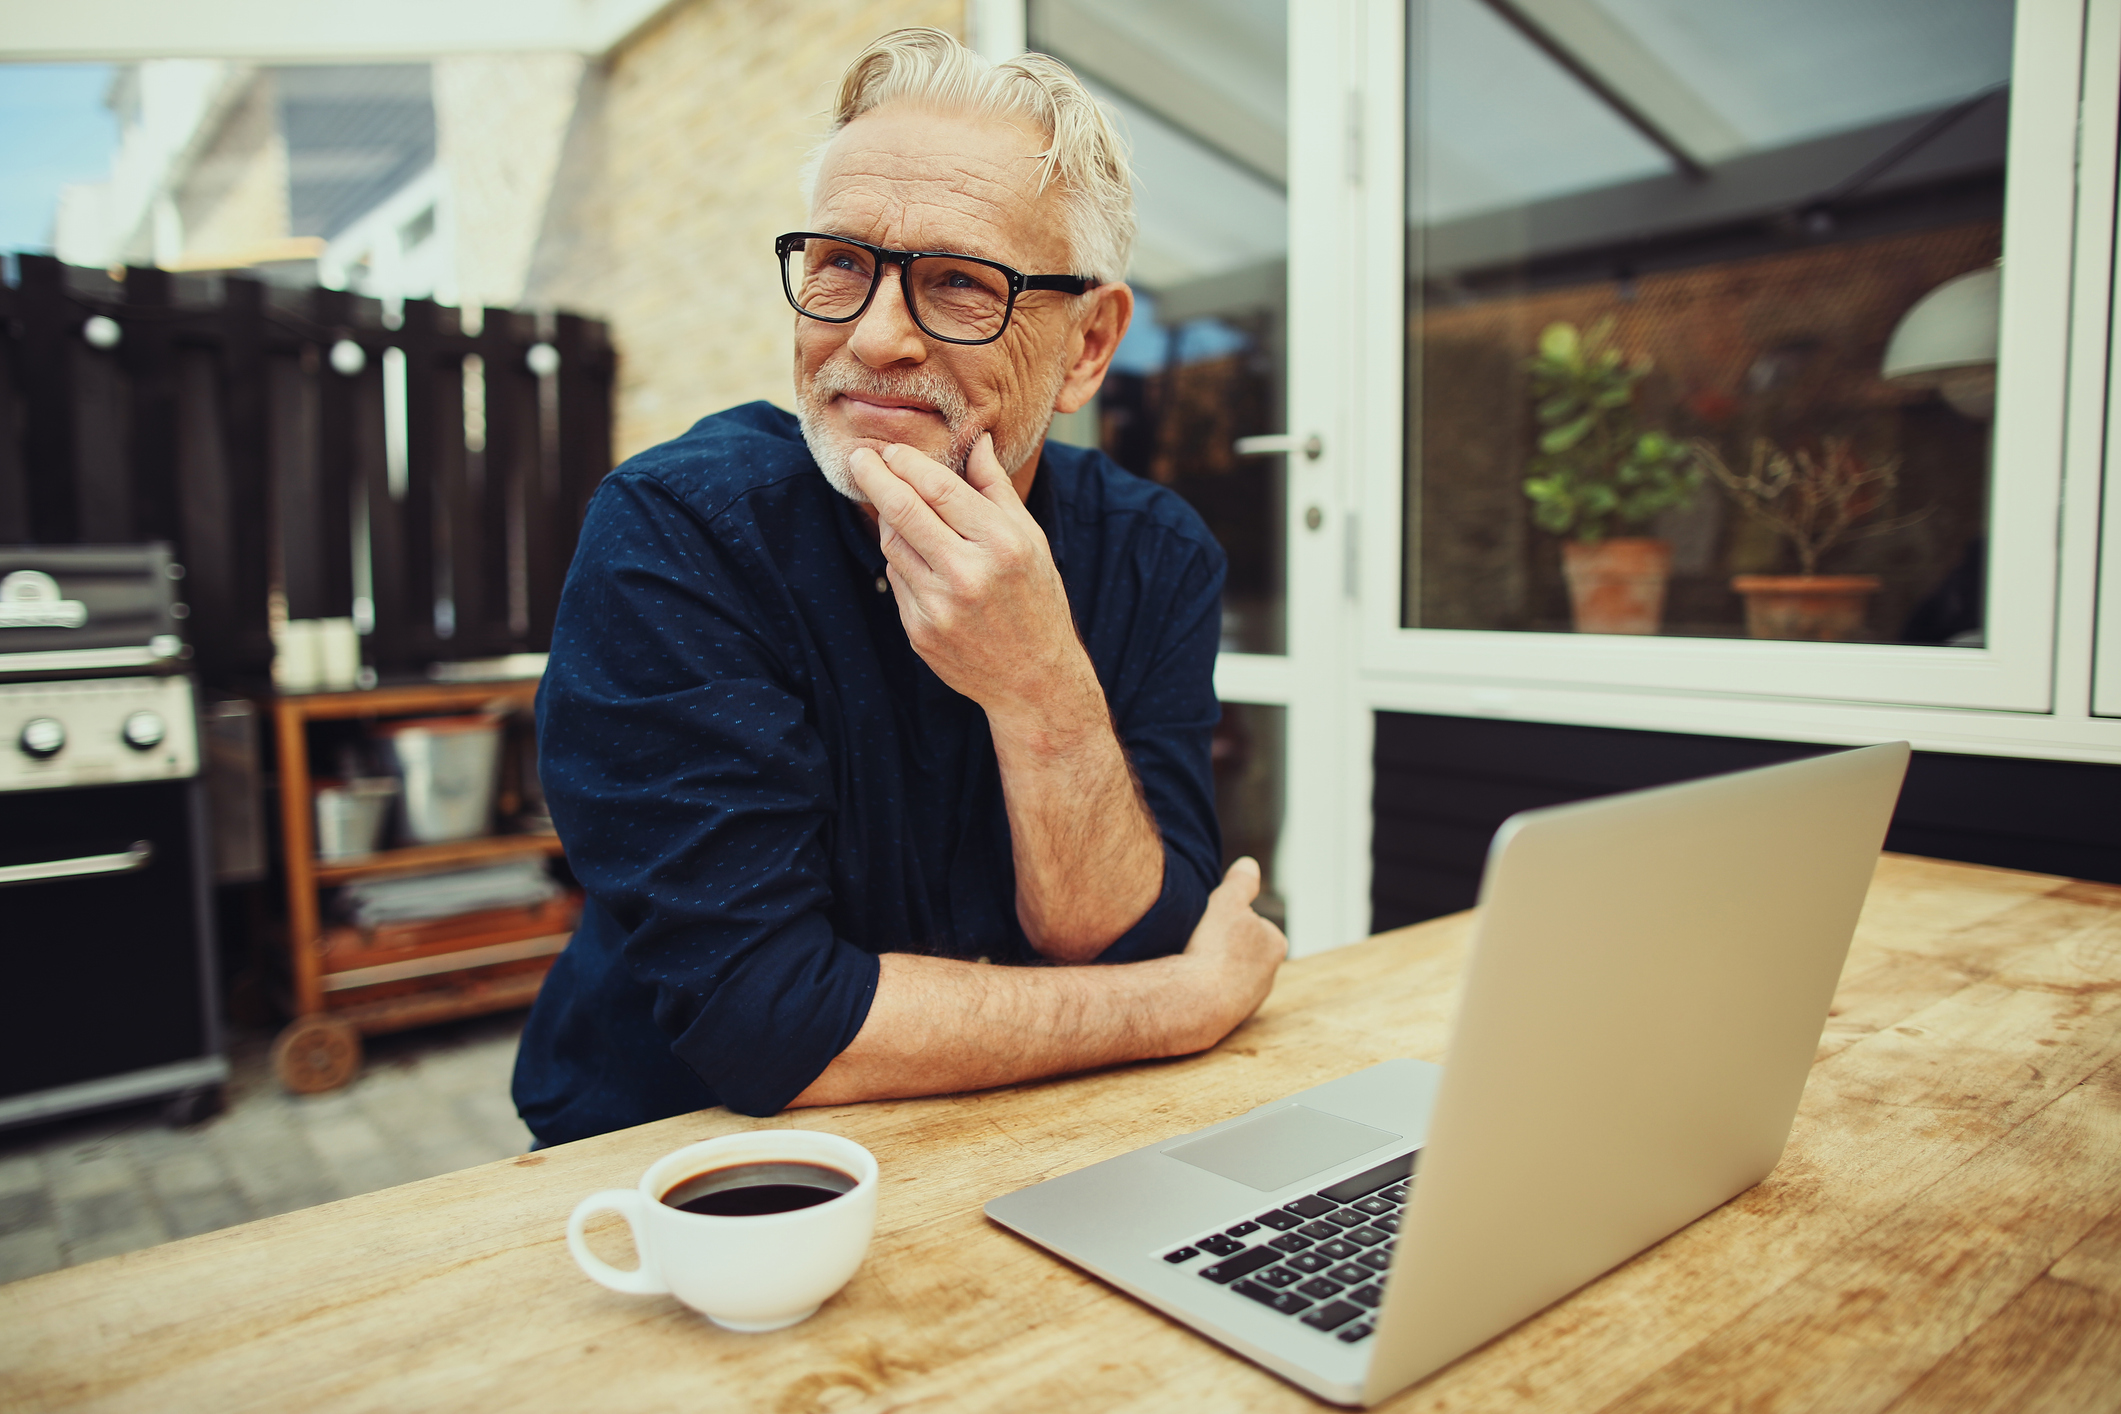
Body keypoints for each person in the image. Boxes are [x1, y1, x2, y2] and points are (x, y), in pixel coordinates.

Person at [512, 29, 1287, 1147]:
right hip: (686, 1171)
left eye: (960, 283)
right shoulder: (679, 535)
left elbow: (1124, 933)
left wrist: (1041, 687)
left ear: (1087, 345)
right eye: (839, 263)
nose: (874, 337)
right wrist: (1180, 1003)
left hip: (1037, 1134)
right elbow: (768, 1021)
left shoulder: (1153, 550)